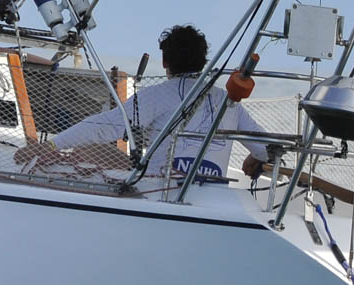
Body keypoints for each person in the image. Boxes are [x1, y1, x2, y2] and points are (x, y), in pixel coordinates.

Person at [16, 25, 275, 182]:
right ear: (203, 61)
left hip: (161, 191)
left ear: (164, 62)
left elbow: (103, 127)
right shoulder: (229, 102)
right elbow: (268, 150)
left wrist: (48, 146)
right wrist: (255, 157)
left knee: (90, 150)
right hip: (214, 194)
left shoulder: (155, 96)